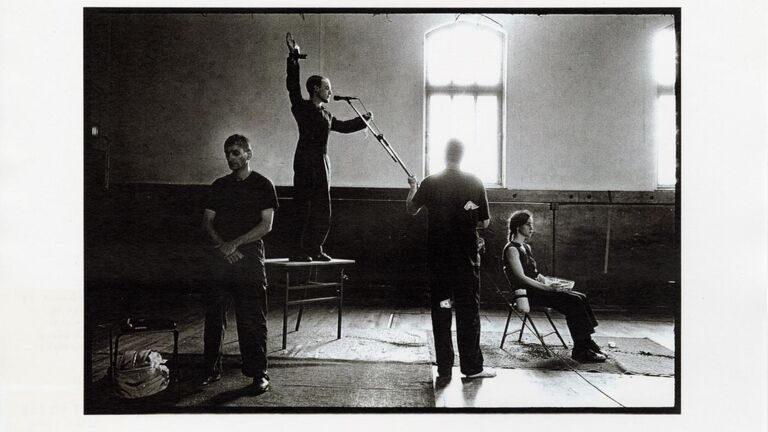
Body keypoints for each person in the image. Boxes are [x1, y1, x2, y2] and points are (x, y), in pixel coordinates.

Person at [406, 139, 496, 380]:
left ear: (443, 155)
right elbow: (484, 222)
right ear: (462, 156)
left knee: (443, 309)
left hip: (439, 263)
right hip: (466, 263)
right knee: (468, 313)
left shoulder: (430, 182)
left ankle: (444, 367)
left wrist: (413, 186)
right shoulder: (475, 181)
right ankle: (472, 368)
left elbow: (411, 209)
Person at [200, 134, 278, 394]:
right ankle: (210, 369)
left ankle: (259, 373)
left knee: (252, 318)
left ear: (248, 154)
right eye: (227, 154)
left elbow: (266, 225)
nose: (231, 158)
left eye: (235, 152)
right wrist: (224, 246)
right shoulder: (218, 186)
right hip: (221, 257)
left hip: (250, 258)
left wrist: (235, 244)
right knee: (214, 316)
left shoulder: (263, 185)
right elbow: (207, 222)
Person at [286, 39, 372, 262]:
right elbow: (293, 86)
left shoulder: (326, 115)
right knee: (303, 206)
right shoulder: (301, 107)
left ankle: (315, 248)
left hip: (323, 163)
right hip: (305, 161)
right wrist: (294, 58)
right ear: (315, 89)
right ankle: (297, 249)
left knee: (323, 208)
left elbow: (343, 127)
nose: (330, 92)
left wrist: (363, 120)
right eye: (327, 88)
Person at [502, 210, 607, 362]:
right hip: (526, 294)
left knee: (580, 297)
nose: (532, 228)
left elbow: (535, 274)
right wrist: (548, 289)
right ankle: (580, 350)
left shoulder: (526, 247)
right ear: (518, 227)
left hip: (539, 289)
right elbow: (521, 278)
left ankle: (586, 342)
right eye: (528, 225)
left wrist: (553, 283)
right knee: (574, 302)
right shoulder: (511, 249)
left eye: (532, 225)